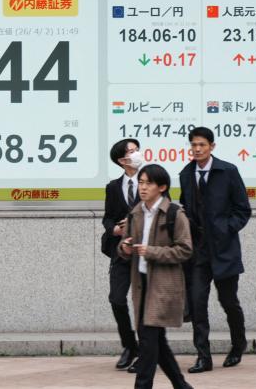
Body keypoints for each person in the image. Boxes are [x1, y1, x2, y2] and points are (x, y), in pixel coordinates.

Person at [179, 127, 251, 373]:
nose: (197, 149)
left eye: (201, 145)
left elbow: (243, 209)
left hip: (224, 250)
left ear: (212, 146)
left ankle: (238, 345)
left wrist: (225, 229)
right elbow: (186, 208)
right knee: (197, 303)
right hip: (198, 252)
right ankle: (203, 357)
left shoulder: (228, 171)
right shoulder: (186, 174)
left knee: (228, 301)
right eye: (193, 145)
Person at [118, 164, 193, 389]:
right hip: (141, 284)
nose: (143, 187)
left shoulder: (174, 214)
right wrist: (125, 248)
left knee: (149, 342)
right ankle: (181, 385)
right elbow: (123, 245)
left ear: (162, 187)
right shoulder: (136, 212)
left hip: (163, 285)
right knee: (156, 341)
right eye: (141, 182)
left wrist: (152, 252)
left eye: (148, 183)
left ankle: (142, 386)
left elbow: (185, 249)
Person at [102, 138, 144, 372]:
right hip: (121, 252)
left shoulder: (151, 180)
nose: (137, 154)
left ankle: (146, 352)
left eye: (138, 149)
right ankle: (130, 346)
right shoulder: (112, 187)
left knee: (144, 304)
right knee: (116, 299)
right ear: (122, 160)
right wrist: (114, 229)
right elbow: (108, 217)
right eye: (131, 151)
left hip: (146, 252)